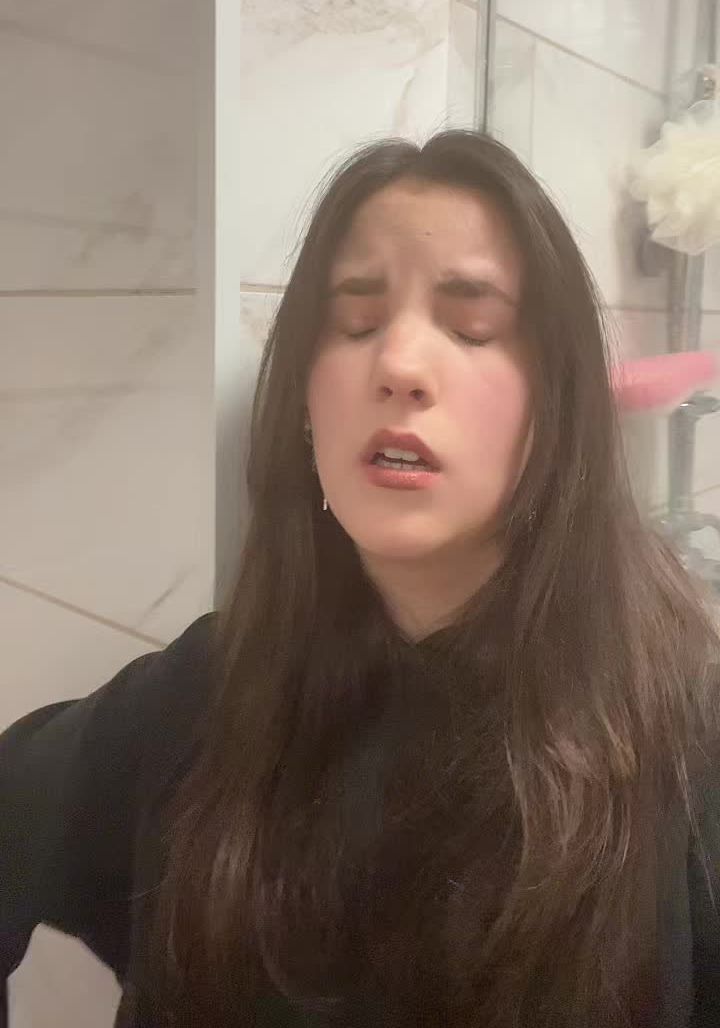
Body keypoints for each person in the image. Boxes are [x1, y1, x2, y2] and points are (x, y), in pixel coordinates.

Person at [1, 130, 719, 1028]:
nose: (400, 365)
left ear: (557, 404)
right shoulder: (207, 692)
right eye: (355, 323)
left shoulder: (686, 744)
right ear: (306, 403)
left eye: (472, 325)